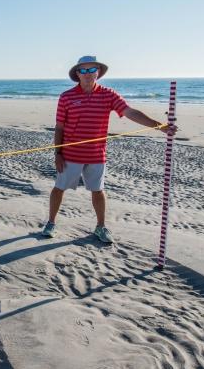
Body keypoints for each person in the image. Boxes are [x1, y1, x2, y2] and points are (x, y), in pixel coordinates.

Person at [41, 55, 176, 243]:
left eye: (91, 70)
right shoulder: (66, 97)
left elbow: (130, 112)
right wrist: (57, 153)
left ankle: (100, 227)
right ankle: (51, 223)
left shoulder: (108, 94)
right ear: (77, 74)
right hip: (70, 155)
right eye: (83, 70)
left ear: (98, 72)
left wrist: (159, 126)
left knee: (98, 191)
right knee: (59, 188)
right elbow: (60, 127)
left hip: (96, 155)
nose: (88, 74)